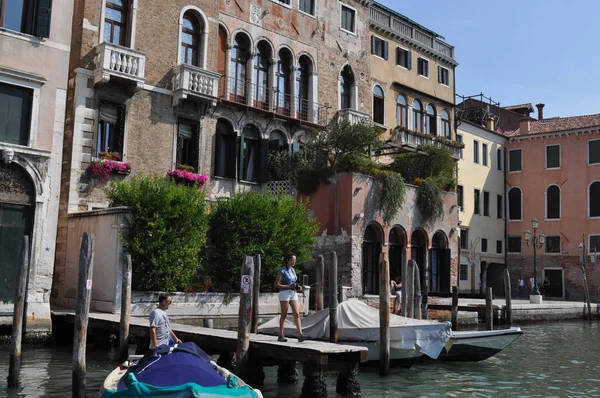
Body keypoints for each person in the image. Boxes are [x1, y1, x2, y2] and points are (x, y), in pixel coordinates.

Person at [275, 252, 309, 342]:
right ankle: (281, 334)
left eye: (295, 260)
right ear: (287, 260)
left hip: (293, 293)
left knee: (297, 313)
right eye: (292, 260)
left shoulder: (293, 270)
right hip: (284, 293)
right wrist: (289, 286)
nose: (294, 262)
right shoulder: (282, 270)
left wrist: (297, 287)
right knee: (284, 314)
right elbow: (277, 284)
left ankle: (300, 335)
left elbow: (293, 282)